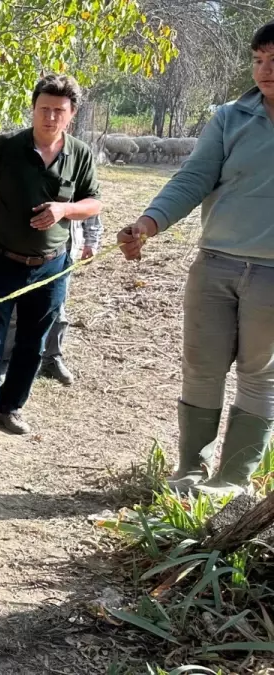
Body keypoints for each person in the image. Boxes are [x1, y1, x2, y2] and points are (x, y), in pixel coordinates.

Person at [117, 21, 274, 496]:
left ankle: (233, 481)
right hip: (215, 266)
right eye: (258, 59)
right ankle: (191, 472)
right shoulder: (230, 117)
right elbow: (193, 179)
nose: (265, 70)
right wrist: (147, 224)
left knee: (259, 373)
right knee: (202, 368)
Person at [0, 74, 102, 439]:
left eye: (58, 111)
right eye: (44, 109)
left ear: (72, 114)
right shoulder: (6, 146)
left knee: (33, 343)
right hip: (1, 260)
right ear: (33, 109)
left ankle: (11, 407)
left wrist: (63, 210)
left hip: (50, 266)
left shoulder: (80, 154)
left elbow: (94, 202)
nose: (50, 117)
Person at [1, 213, 102, 386]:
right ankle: (5, 361)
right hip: (28, 254)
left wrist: (91, 242)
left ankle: (51, 359)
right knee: (16, 312)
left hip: (66, 255)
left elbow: (91, 211)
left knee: (57, 313)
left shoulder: (80, 186)